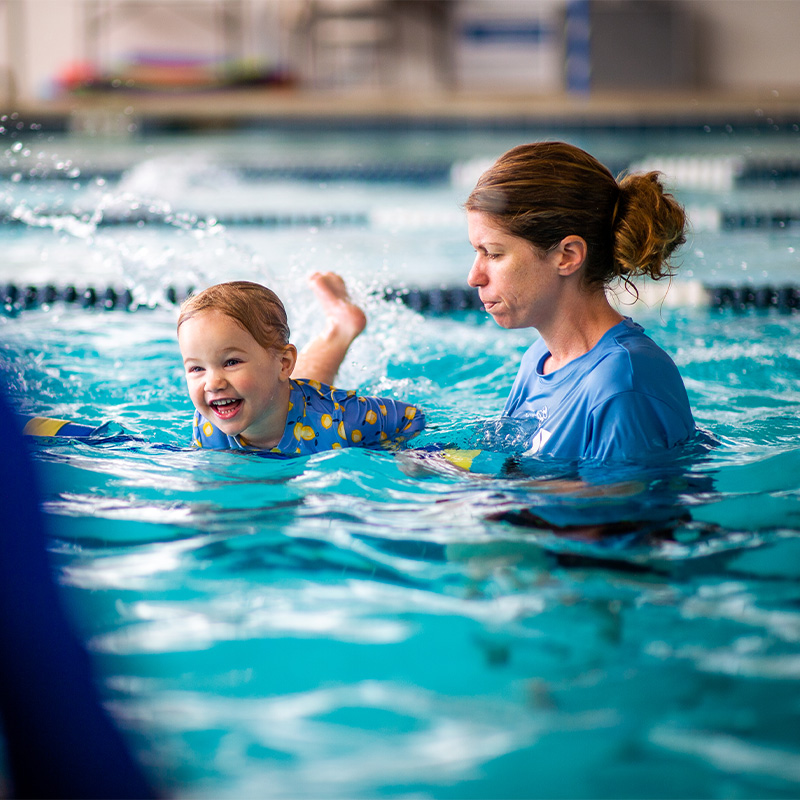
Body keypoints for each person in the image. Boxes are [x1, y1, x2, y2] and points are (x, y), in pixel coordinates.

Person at [464, 141, 696, 463]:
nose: (474, 277)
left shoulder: (623, 385)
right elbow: (511, 468)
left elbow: (615, 512)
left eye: (493, 253)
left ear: (567, 256)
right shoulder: (538, 362)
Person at [177, 271, 424, 455]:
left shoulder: (342, 420)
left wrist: (403, 455)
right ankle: (342, 322)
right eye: (197, 368)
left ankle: (342, 326)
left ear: (285, 363)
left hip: (313, 411)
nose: (213, 383)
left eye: (231, 362)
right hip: (288, 402)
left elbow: (411, 417)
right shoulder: (207, 423)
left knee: (309, 393)